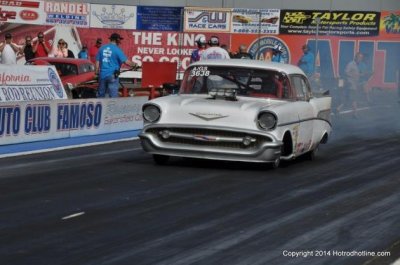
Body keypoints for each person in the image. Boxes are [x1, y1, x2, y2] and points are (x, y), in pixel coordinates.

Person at [95, 33, 137, 98]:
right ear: (116, 40)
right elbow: (126, 62)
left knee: (101, 94)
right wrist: (135, 65)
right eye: (119, 40)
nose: (120, 42)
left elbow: (97, 61)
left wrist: (96, 72)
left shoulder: (102, 48)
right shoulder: (117, 49)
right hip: (112, 76)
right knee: (113, 96)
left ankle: (101, 107)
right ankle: (112, 108)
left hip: (102, 75)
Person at [336, 52, 364, 117]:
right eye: (359, 57)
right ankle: (355, 114)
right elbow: (346, 72)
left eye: (361, 58)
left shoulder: (357, 65)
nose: (360, 59)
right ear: (356, 57)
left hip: (353, 85)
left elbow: (355, 74)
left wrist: (359, 74)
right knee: (354, 99)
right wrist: (353, 75)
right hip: (351, 85)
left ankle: (338, 109)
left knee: (347, 99)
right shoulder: (351, 64)